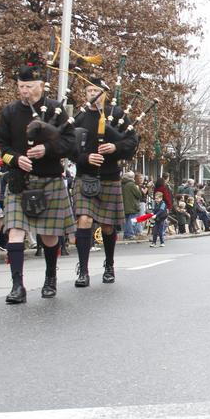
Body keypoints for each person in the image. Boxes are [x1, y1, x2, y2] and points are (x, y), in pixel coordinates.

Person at [0, 58, 78, 303]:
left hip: (49, 178)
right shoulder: (10, 111)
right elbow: (2, 146)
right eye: (21, 86)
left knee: (50, 236)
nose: (24, 91)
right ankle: (17, 286)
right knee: (15, 232)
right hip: (20, 180)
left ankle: (50, 278)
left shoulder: (55, 110)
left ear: (41, 85)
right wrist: (16, 159)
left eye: (29, 86)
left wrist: (47, 150)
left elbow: (69, 143)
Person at [71, 77, 139, 286]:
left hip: (109, 177)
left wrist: (115, 148)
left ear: (105, 93)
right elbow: (68, 147)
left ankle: (109, 264)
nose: (93, 94)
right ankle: (83, 270)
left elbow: (132, 141)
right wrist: (85, 158)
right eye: (89, 90)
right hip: (85, 176)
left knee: (108, 227)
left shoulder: (117, 115)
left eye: (96, 90)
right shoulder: (79, 117)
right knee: (84, 220)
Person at [122, 172, 144, 239]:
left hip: (125, 205)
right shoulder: (132, 185)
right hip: (132, 206)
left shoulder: (123, 184)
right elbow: (139, 195)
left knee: (126, 221)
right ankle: (130, 234)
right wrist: (138, 188)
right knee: (132, 221)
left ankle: (126, 234)